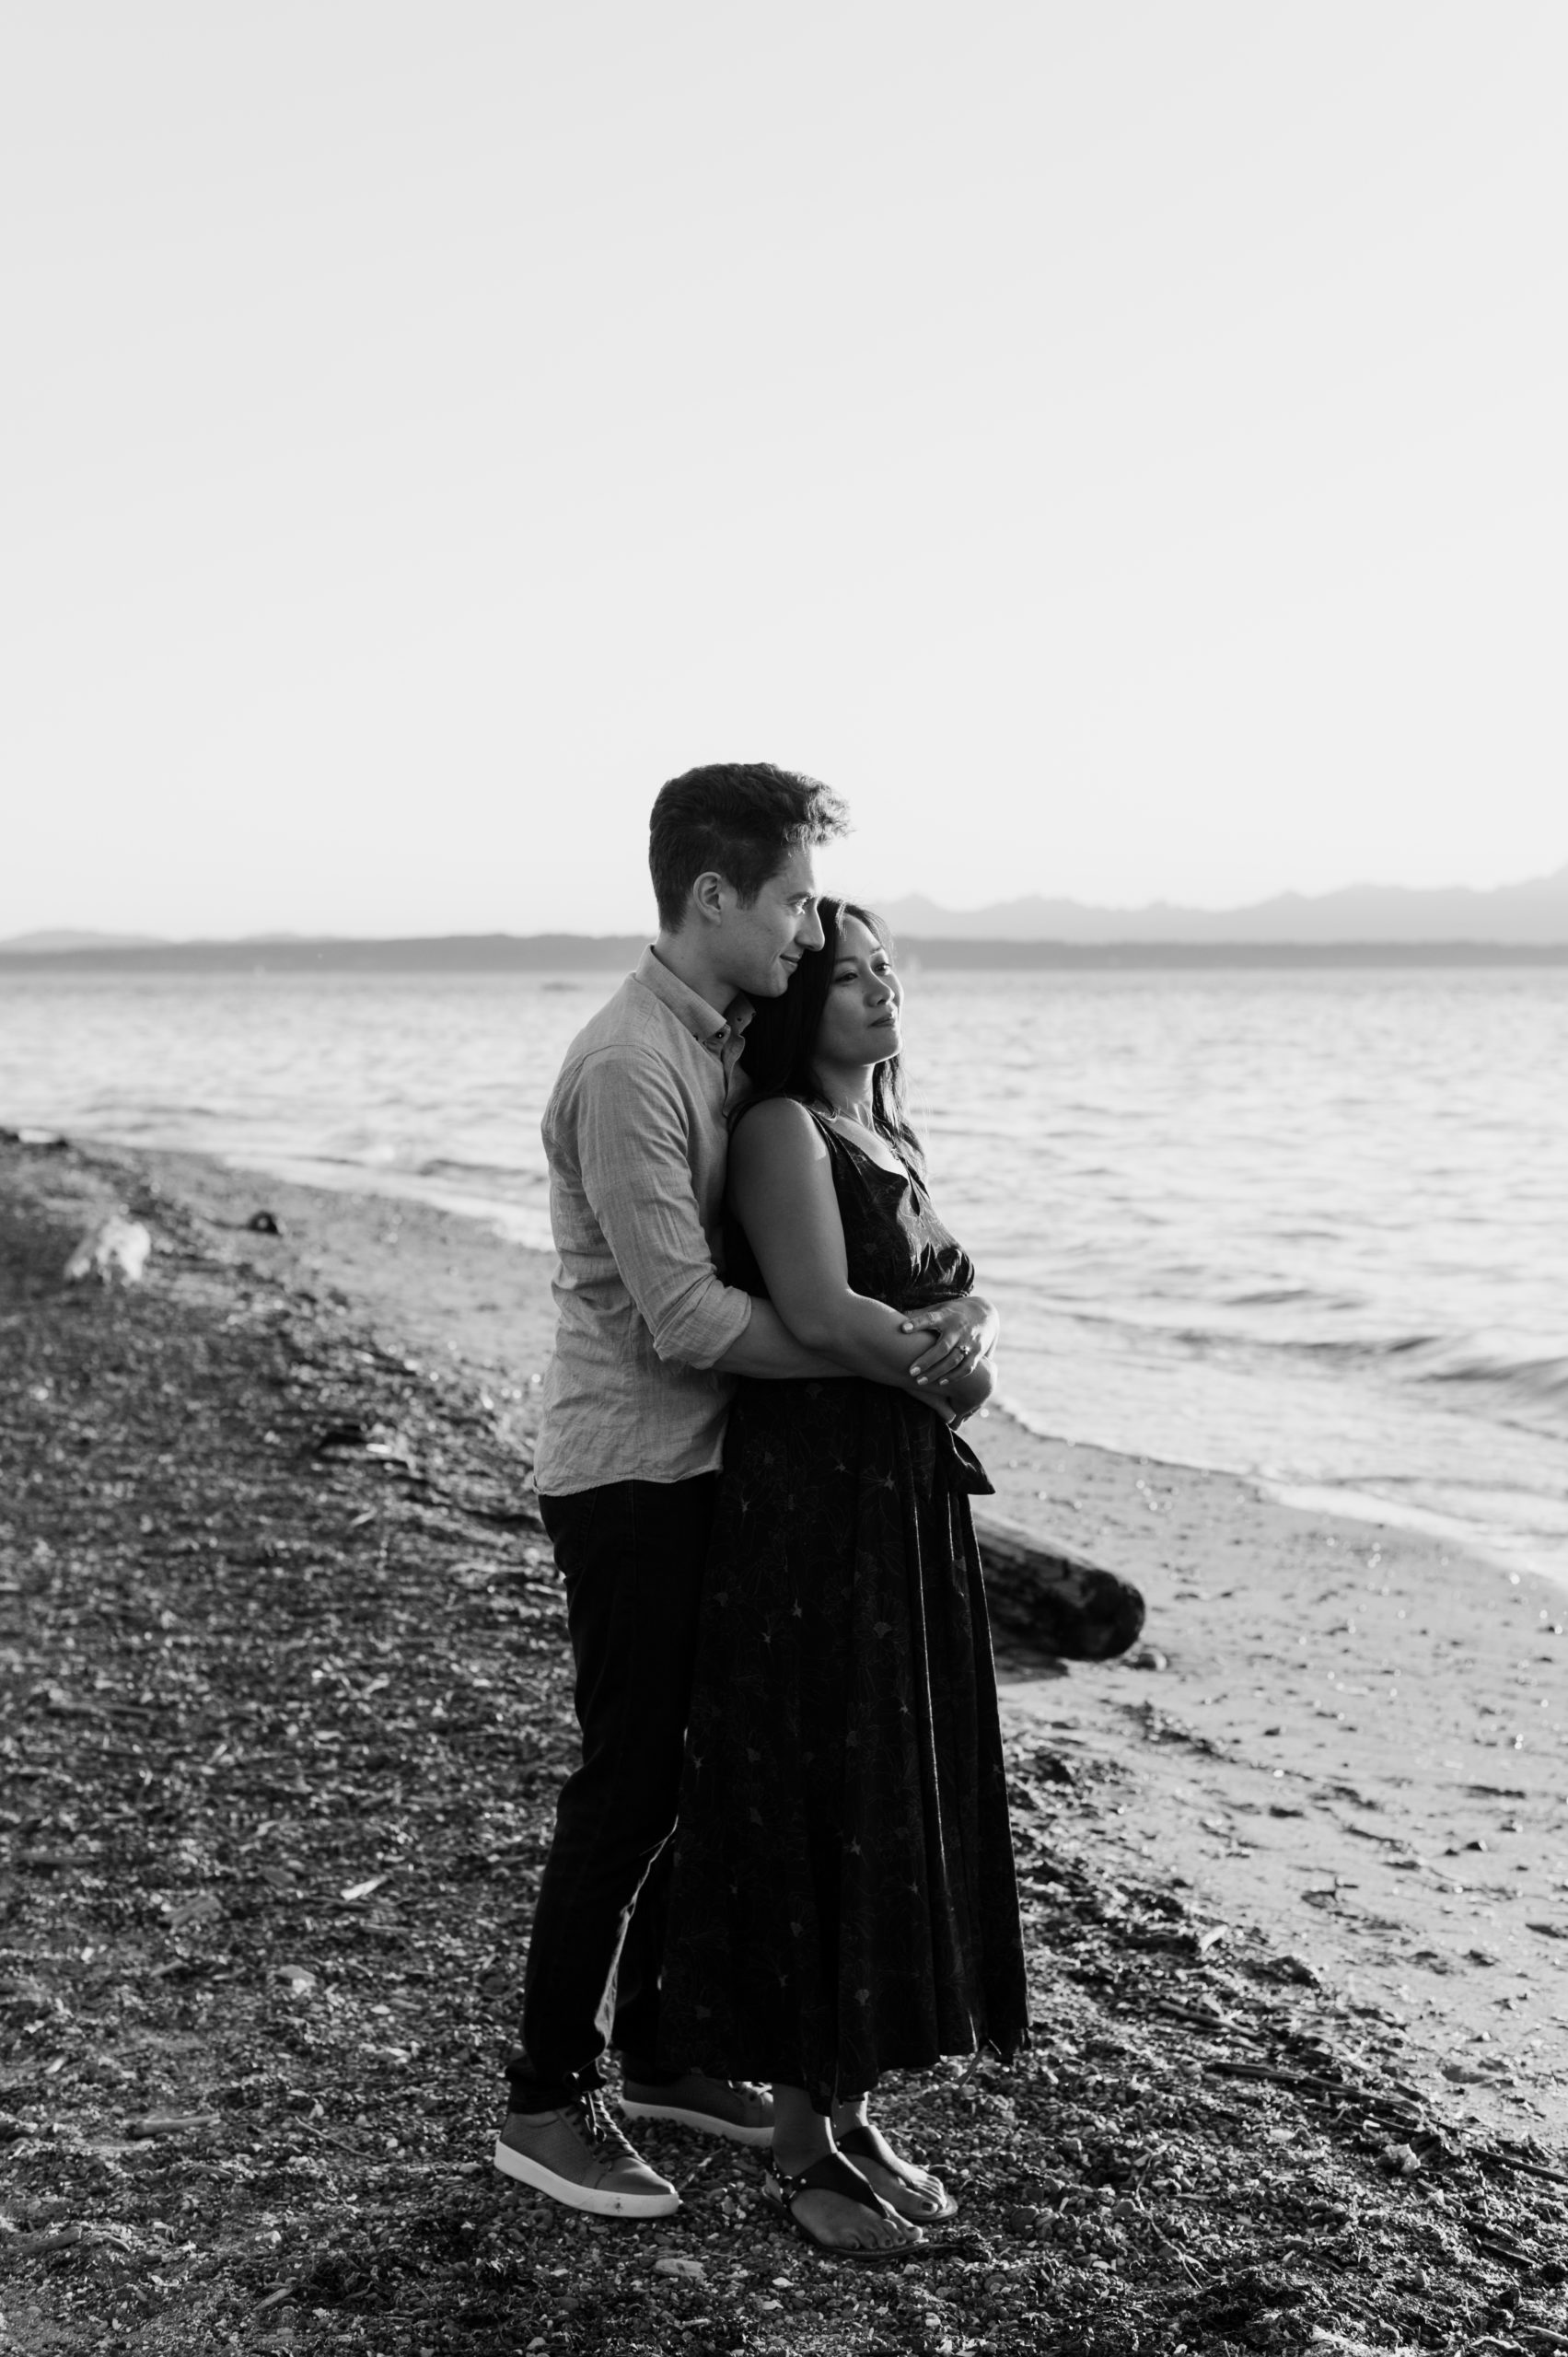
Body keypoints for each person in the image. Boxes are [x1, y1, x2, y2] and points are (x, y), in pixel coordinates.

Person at [495, 768, 990, 2220]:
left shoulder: (722, 1047)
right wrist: (890, 1359)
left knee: (718, 1775)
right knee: (630, 1786)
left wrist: (917, 1337)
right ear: (712, 896)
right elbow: (691, 1320)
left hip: (727, 1467)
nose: (807, 931)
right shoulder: (630, 1065)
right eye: (790, 902)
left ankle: (661, 2055)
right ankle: (544, 2100)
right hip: (633, 1472)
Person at [656, 899, 1028, 2258]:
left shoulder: (888, 1133)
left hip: (898, 1497)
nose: (881, 990)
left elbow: (942, 1299)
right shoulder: (781, 1129)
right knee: (823, 1791)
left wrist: (974, 1324)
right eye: (851, 975)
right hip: (814, 1503)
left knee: (888, 1791)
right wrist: (955, 1368)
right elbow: (818, 1311)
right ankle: (803, 2150)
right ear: (801, 1001)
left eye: (887, 969)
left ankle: (852, 2111)